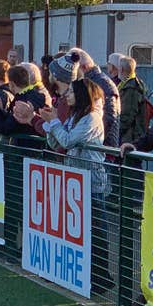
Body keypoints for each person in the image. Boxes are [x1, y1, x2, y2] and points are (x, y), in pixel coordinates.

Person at [38, 78, 113, 293]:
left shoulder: (91, 118)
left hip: (92, 182)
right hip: (75, 181)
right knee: (79, 229)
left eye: (71, 92)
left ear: (81, 95)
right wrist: (49, 124)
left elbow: (69, 141)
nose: (66, 96)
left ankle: (102, 276)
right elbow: (56, 143)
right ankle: (86, 275)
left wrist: (54, 123)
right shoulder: (74, 117)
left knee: (96, 229)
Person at [69, 47, 120, 148]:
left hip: (101, 147)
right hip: (88, 142)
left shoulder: (103, 84)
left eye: (73, 69)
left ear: (83, 67)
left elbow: (109, 117)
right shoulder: (89, 83)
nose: (72, 73)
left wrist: (88, 134)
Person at [118, 55, 147, 144]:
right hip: (131, 135)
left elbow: (127, 116)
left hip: (129, 137)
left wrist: (116, 132)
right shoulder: (130, 84)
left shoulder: (131, 88)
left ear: (121, 69)